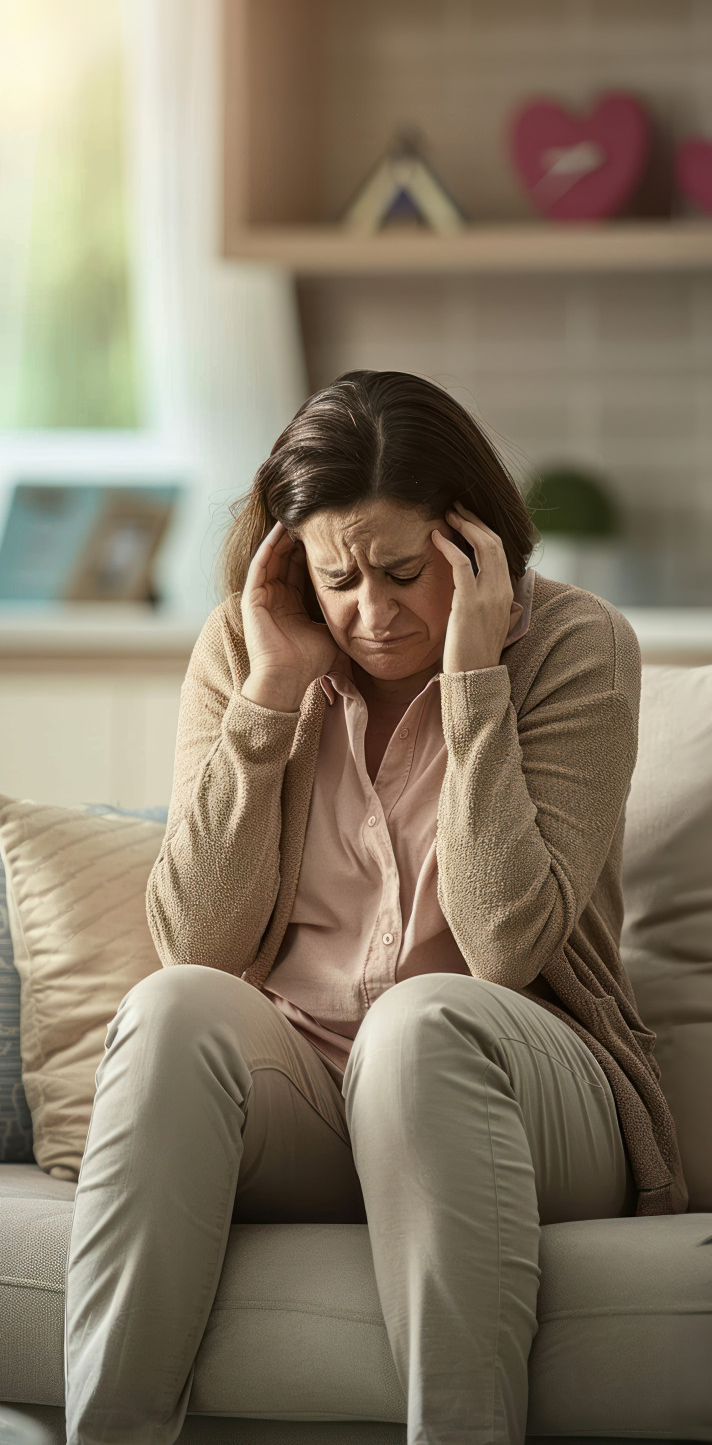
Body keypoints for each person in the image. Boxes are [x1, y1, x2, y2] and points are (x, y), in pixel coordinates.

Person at [64, 369, 687, 1445]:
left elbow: (504, 946)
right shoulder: (247, 648)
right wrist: (266, 701)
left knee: (422, 1020)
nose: (372, 614)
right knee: (172, 1007)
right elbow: (198, 942)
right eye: (338, 579)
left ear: (474, 541)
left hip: (525, 1084)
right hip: (312, 1091)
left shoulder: (579, 648)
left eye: (404, 572)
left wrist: (472, 681)